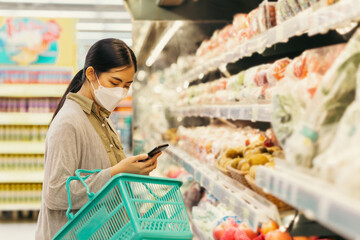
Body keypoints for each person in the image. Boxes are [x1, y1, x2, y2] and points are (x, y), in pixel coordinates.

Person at [35, 38, 161, 239]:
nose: (121, 92)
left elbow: (100, 173)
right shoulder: (69, 122)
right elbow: (56, 192)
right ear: (91, 74)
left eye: (127, 85)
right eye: (115, 82)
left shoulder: (103, 118)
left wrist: (133, 171)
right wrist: (115, 173)